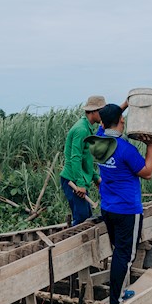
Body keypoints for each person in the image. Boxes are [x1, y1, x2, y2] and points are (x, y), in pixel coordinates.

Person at [86, 103, 152, 304]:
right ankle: (115, 299)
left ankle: (121, 290)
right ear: (121, 121)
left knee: (118, 250)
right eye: (122, 118)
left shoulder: (99, 141)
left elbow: (108, 120)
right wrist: (151, 144)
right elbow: (148, 173)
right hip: (127, 210)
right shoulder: (126, 150)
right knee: (125, 255)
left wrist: (123, 105)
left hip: (108, 208)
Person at [60, 95, 105, 225]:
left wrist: (95, 177)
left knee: (87, 216)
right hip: (72, 179)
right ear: (94, 111)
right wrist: (79, 184)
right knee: (81, 219)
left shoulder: (88, 127)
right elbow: (75, 158)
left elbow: (86, 159)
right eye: (101, 111)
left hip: (79, 178)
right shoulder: (81, 129)